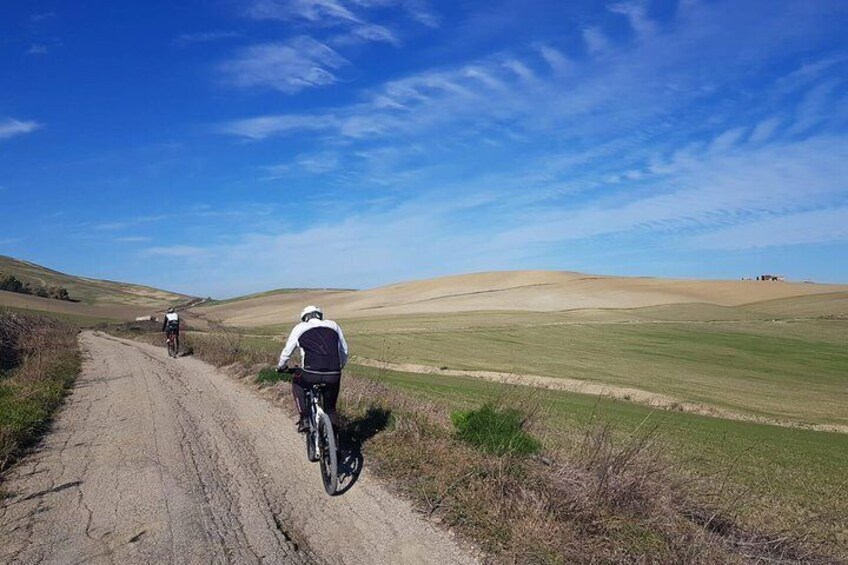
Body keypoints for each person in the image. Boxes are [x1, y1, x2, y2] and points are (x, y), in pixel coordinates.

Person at [277, 305, 349, 433]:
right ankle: (335, 444)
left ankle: (304, 417)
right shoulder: (333, 325)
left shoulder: (300, 328)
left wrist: (281, 367)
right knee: (331, 409)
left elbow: (287, 352)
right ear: (320, 316)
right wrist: (340, 366)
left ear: (304, 318)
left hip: (310, 373)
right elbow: (344, 351)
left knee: (297, 382)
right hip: (334, 374)